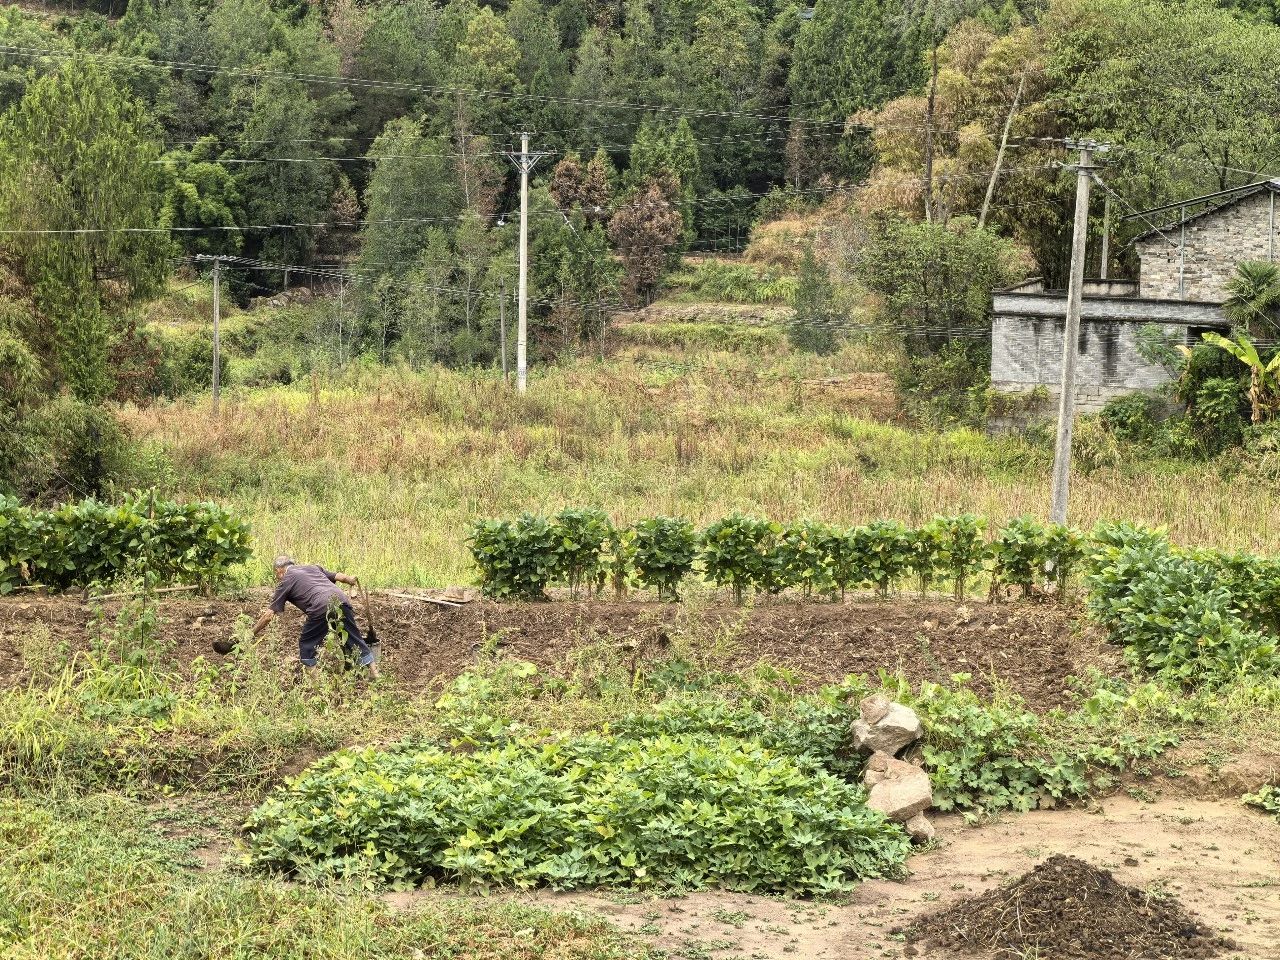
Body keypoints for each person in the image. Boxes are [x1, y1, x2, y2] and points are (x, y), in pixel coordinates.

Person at [251, 555, 380, 679]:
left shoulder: (286, 579)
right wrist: (350, 579)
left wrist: (251, 633)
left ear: (279, 570)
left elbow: (268, 616)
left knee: (307, 645)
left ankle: (317, 683)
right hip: (341, 599)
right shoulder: (312, 568)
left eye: (276, 574)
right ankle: (376, 675)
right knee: (354, 638)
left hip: (320, 605)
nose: (277, 577)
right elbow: (338, 576)